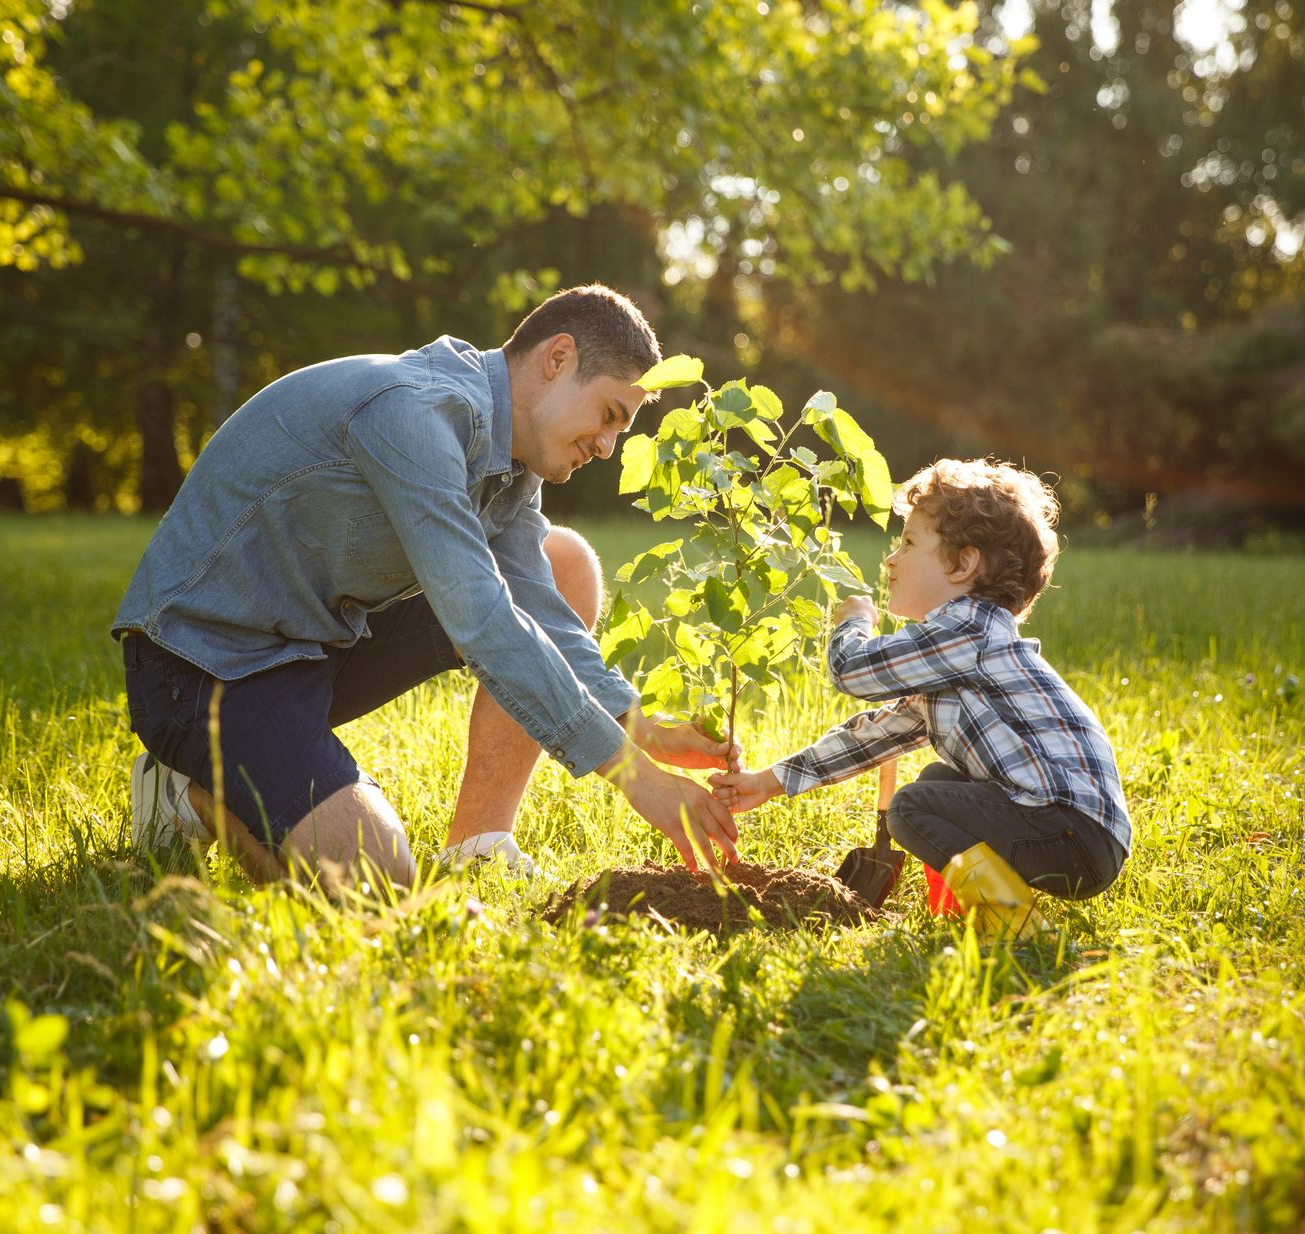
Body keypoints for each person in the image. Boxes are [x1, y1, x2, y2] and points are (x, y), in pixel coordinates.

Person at [115, 284, 739, 889]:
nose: (607, 446)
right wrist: (636, 777)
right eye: (610, 415)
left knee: (562, 562)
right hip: (204, 666)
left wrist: (639, 725)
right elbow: (482, 617)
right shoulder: (415, 412)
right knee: (377, 881)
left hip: (315, 645)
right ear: (558, 358)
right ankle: (187, 791)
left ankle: (478, 847)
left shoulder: (511, 461)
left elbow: (539, 607)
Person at [709, 458, 1131, 901]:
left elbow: (850, 670)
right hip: (1078, 835)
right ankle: (963, 909)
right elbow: (873, 736)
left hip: (1068, 829)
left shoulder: (969, 630)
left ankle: (1009, 918)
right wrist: (769, 782)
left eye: (908, 543)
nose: (891, 558)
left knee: (911, 808)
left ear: (963, 564)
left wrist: (853, 622)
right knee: (935, 782)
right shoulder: (960, 653)